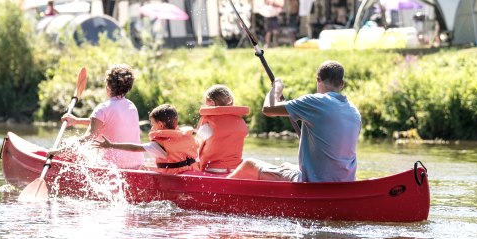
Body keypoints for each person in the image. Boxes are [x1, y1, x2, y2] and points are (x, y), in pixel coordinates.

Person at [227, 60, 361, 183]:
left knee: (249, 165)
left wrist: (277, 89)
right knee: (285, 165)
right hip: (345, 182)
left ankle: (219, 192)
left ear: (318, 80)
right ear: (341, 84)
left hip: (315, 183)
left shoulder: (315, 101)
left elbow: (268, 109)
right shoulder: (354, 112)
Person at [58, 64, 144, 169]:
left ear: (108, 85)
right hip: (136, 165)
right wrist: (76, 121)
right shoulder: (131, 106)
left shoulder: (103, 108)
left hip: (112, 166)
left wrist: (60, 151)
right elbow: (107, 123)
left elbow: (90, 136)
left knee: (69, 143)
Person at [93, 103, 199, 175]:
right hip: (192, 171)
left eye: (153, 124)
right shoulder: (186, 136)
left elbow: (134, 148)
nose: (152, 128)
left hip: (173, 177)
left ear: (161, 125)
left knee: (142, 168)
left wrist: (111, 145)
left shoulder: (158, 145)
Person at [196, 84, 249, 173]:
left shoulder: (209, 125)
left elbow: (195, 149)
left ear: (211, 103)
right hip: (235, 170)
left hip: (212, 169)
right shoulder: (240, 122)